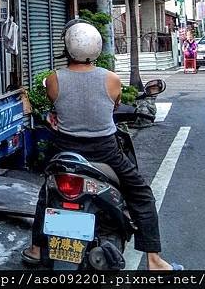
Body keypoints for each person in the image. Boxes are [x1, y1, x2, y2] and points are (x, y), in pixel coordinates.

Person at [21, 19, 182, 271]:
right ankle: (154, 260)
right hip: (105, 152)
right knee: (141, 195)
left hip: (64, 152)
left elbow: (56, 105)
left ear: (67, 47)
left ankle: (36, 247)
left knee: (47, 194)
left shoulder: (53, 80)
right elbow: (114, 106)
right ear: (96, 47)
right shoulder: (112, 80)